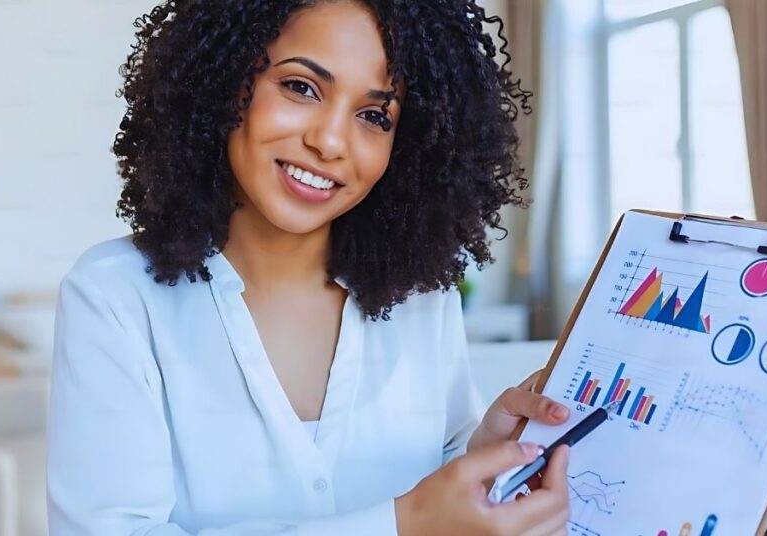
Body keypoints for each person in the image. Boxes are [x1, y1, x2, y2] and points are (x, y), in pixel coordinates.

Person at [47, 1, 573, 534]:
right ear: (226, 82)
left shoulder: (421, 297)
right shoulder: (115, 296)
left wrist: (490, 454)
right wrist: (404, 524)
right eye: (301, 87)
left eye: (374, 116)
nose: (329, 141)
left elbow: (438, 474)